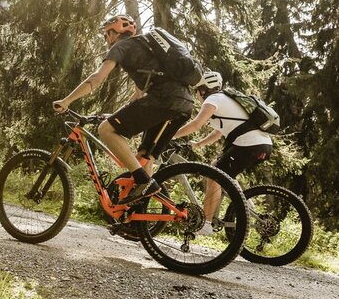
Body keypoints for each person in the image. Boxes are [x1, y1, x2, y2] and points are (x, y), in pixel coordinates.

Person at [53, 14, 194, 205]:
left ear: (114, 33)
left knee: (105, 129)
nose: (106, 39)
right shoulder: (145, 47)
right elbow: (137, 97)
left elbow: (97, 78)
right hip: (184, 103)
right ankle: (138, 212)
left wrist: (67, 100)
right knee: (144, 158)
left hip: (163, 100)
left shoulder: (121, 46)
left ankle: (144, 181)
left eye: (106, 34)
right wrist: (114, 116)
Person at [173, 70, 273, 234]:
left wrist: (171, 135)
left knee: (214, 176)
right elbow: (219, 132)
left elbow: (196, 124)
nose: (197, 95)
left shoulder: (213, 99)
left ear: (203, 89)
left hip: (248, 144)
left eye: (197, 90)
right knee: (219, 170)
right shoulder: (226, 99)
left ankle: (206, 224)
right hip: (262, 144)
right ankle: (243, 204)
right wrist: (199, 143)